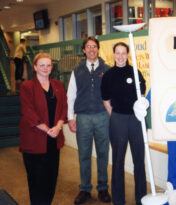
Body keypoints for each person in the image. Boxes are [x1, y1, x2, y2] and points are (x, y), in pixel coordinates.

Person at [101, 42, 147, 205]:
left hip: (135, 120)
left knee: (139, 160)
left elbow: (142, 94)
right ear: (113, 55)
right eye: (117, 53)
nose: (120, 56)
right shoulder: (108, 75)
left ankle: (141, 198)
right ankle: (118, 200)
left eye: (123, 53)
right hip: (118, 119)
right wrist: (114, 116)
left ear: (127, 55)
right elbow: (106, 100)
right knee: (118, 160)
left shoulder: (135, 72)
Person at [67, 36, 111, 204]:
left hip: (102, 117)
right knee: (84, 155)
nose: (92, 49)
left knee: (103, 154)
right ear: (84, 50)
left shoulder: (107, 69)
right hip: (83, 118)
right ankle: (85, 189)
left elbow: (112, 94)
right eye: (88, 46)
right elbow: (70, 95)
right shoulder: (77, 71)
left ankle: (102, 188)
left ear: (98, 49)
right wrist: (71, 118)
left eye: (94, 46)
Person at [19, 52, 67, 205]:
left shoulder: (58, 85)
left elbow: (64, 108)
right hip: (35, 141)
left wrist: (58, 126)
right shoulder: (27, 86)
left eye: (48, 65)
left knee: (51, 180)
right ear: (35, 67)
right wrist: (48, 130)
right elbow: (28, 112)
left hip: (54, 141)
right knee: (37, 182)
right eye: (42, 65)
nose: (45, 68)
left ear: (52, 67)